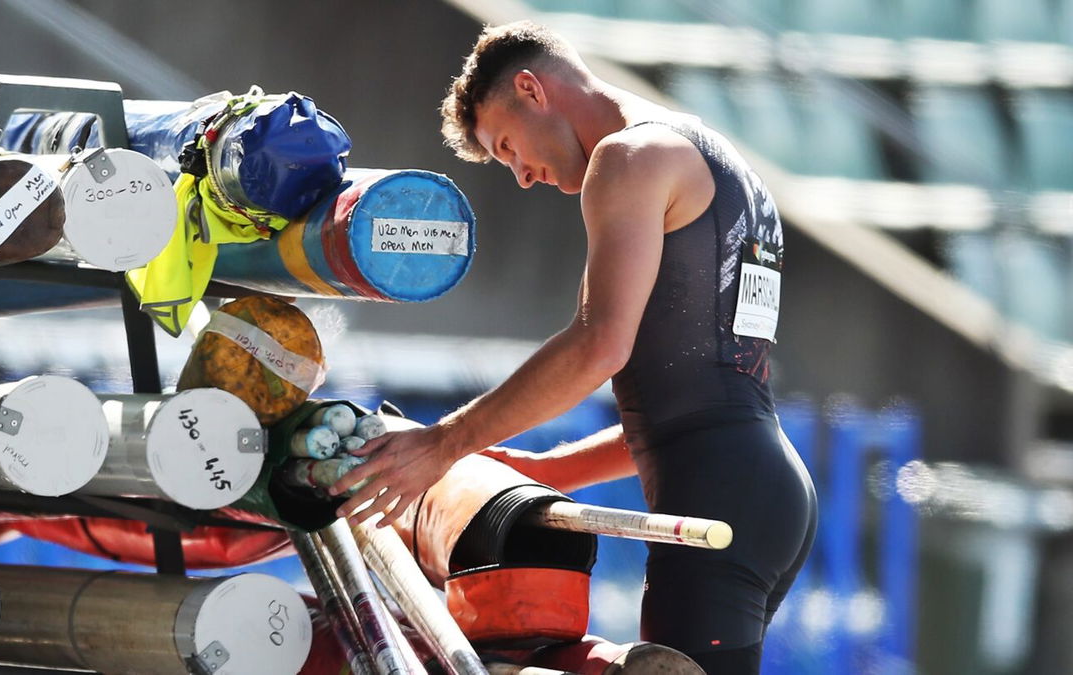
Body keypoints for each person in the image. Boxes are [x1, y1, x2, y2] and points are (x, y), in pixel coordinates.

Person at [333, 20, 817, 674]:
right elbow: (695, 401)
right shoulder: (714, 156)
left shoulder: (626, 160)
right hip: (764, 488)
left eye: (507, 147)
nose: (522, 175)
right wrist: (550, 470)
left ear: (532, 89)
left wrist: (442, 443)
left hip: (717, 501)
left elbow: (599, 348)